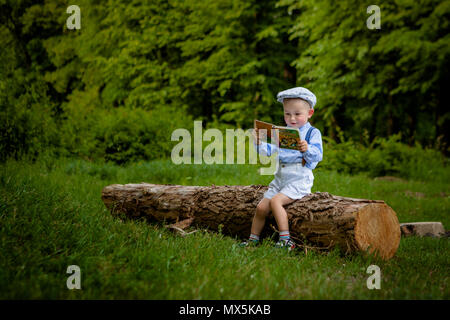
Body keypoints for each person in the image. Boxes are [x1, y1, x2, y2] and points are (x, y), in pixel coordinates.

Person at [240, 87, 323, 251]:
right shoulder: (283, 132)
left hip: (299, 177)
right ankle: (253, 239)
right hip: (281, 178)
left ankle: (286, 240)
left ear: (310, 113)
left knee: (276, 201)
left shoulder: (312, 133)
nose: (292, 118)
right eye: (287, 114)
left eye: (297, 114)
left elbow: (317, 155)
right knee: (261, 207)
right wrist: (258, 143)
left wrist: (306, 148)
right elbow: (273, 151)